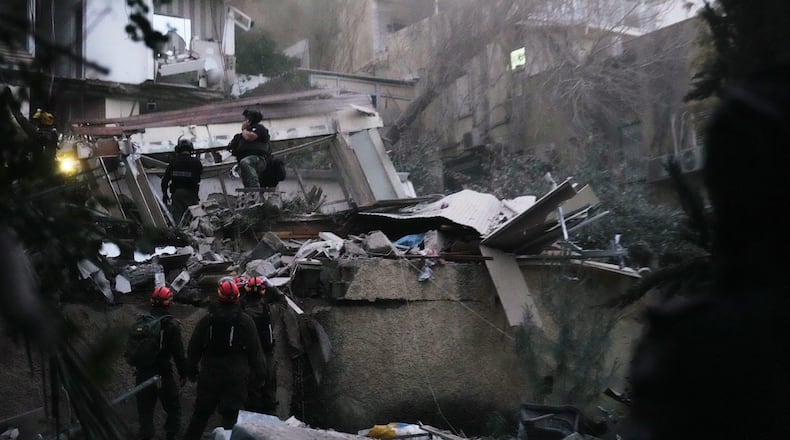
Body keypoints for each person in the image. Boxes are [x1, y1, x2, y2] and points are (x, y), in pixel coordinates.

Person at [182, 277, 267, 439]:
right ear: (237, 297)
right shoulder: (245, 321)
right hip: (235, 376)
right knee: (231, 419)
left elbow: (194, 348)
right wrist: (261, 375)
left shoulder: (207, 320)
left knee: (200, 415)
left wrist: (191, 370)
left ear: (218, 295)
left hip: (209, 374)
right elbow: (255, 351)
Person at [129, 286, 187, 440]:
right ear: (169, 303)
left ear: (152, 302)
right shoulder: (171, 324)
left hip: (142, 374)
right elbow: (178, 353)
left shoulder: (142, 322)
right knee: (173, 408)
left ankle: (146, 435)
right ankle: (170, 435)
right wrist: (183, 373)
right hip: (163, 374)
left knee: (145, 411)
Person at [239, 275, 284, 414]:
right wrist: (271, 286)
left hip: (250, 360)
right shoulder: (270, 312)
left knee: (252, 397)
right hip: (268, 358)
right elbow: (282, 301)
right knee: (269, 397)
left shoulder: (243, 315)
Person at [160, 139, 203, 225]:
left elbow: (165, 181)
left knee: (178, 221)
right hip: (191, 194)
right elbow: (198, 177)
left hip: (177, 195)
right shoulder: (196, 162)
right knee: (195, 221)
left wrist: (165, 194)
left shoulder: (173, 162)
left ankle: (181, 236)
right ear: (191, 149)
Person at [228, 109, 271, 188]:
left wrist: (244, 129)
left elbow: (249, 137)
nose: (244, 120)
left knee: (245, 162)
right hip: (244, 159)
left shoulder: (259, 128)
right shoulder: (244, 133)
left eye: (246, 118)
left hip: (258, 159)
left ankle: (255, 187)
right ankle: (250, 191)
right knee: (246, 180)